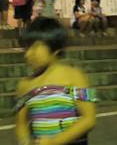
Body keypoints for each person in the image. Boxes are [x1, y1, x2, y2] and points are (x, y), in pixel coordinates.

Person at [15, 17, 97, 145]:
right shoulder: (25, 85)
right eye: (26, 48)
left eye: (35, 47)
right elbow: (21, 124)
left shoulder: (75, 76)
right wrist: (24, 141)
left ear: (55, 47)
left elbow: (89, 119)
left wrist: (55, 142)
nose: (28, 54)